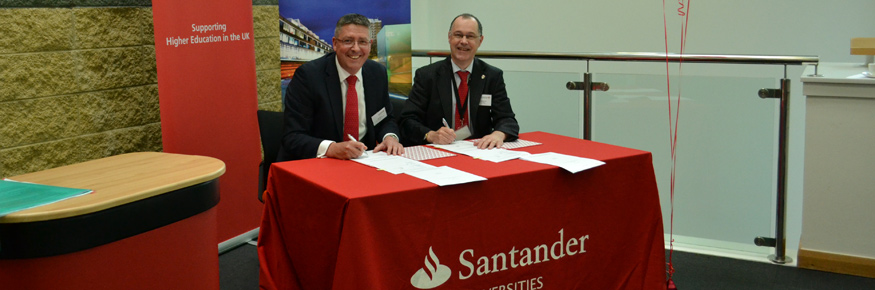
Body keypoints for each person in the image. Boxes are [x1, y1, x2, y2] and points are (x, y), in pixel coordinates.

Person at [277, 13, 403, 161]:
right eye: (348, 41)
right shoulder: (308, 76)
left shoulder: (377, 73)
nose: (355, 48)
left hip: (363, 161)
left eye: (362, 42)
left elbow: (385, 119)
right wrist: (331, 148)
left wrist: (390, 137)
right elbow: (293, 136)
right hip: (318, 162)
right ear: (335, 44)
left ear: (370, 45)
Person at [400, 13, 519, 149]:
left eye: (470, 36)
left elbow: (507, 120)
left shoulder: (492, 76)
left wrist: (499, 134)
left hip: (478, 150)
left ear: (480, 41)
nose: (463, 41)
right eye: (458, 35)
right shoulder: (427, 76)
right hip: (439, 150)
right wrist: (431, 135)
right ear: (449, 37)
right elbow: (407, 120)